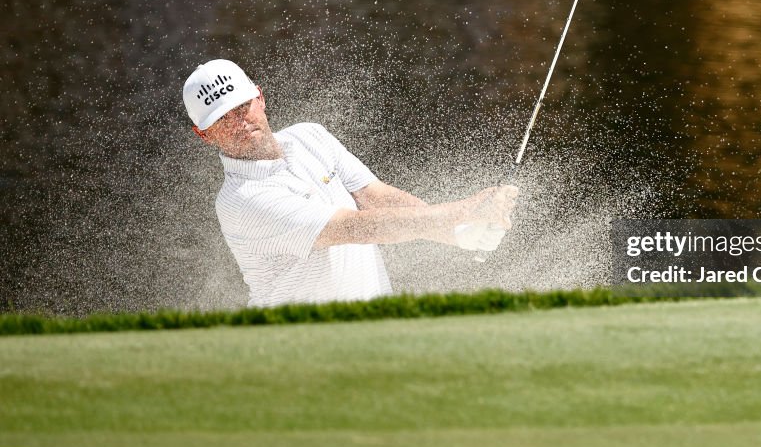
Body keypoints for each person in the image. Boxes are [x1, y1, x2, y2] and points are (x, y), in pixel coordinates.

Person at [183, 58, 518, 307]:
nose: (239, 123)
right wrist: (467, 210)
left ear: (260, 97)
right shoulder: (241, 201)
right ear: (204, 135)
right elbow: (356, 227)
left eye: (242, 107)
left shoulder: (308, 137)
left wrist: (459, 234)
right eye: (221, 119)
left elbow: (376, 198)